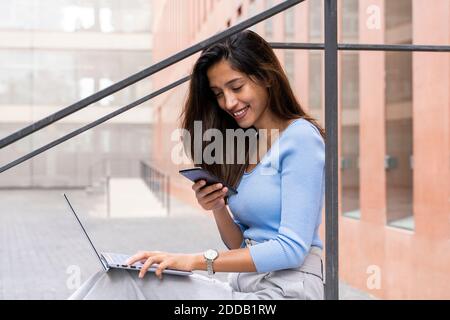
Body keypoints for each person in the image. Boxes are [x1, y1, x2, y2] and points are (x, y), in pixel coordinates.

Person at [69, 30, 325, 300]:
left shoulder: (300, 137)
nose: (229, 102)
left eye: (236, 87)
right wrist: (218, 207)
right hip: (243, 288)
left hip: (285, 293)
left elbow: (291, 248)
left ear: (265, 77)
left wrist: (193, 261)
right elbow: (239, 244)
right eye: (218, 93)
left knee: (129, 285)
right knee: (121, 276)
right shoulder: (248, 145)